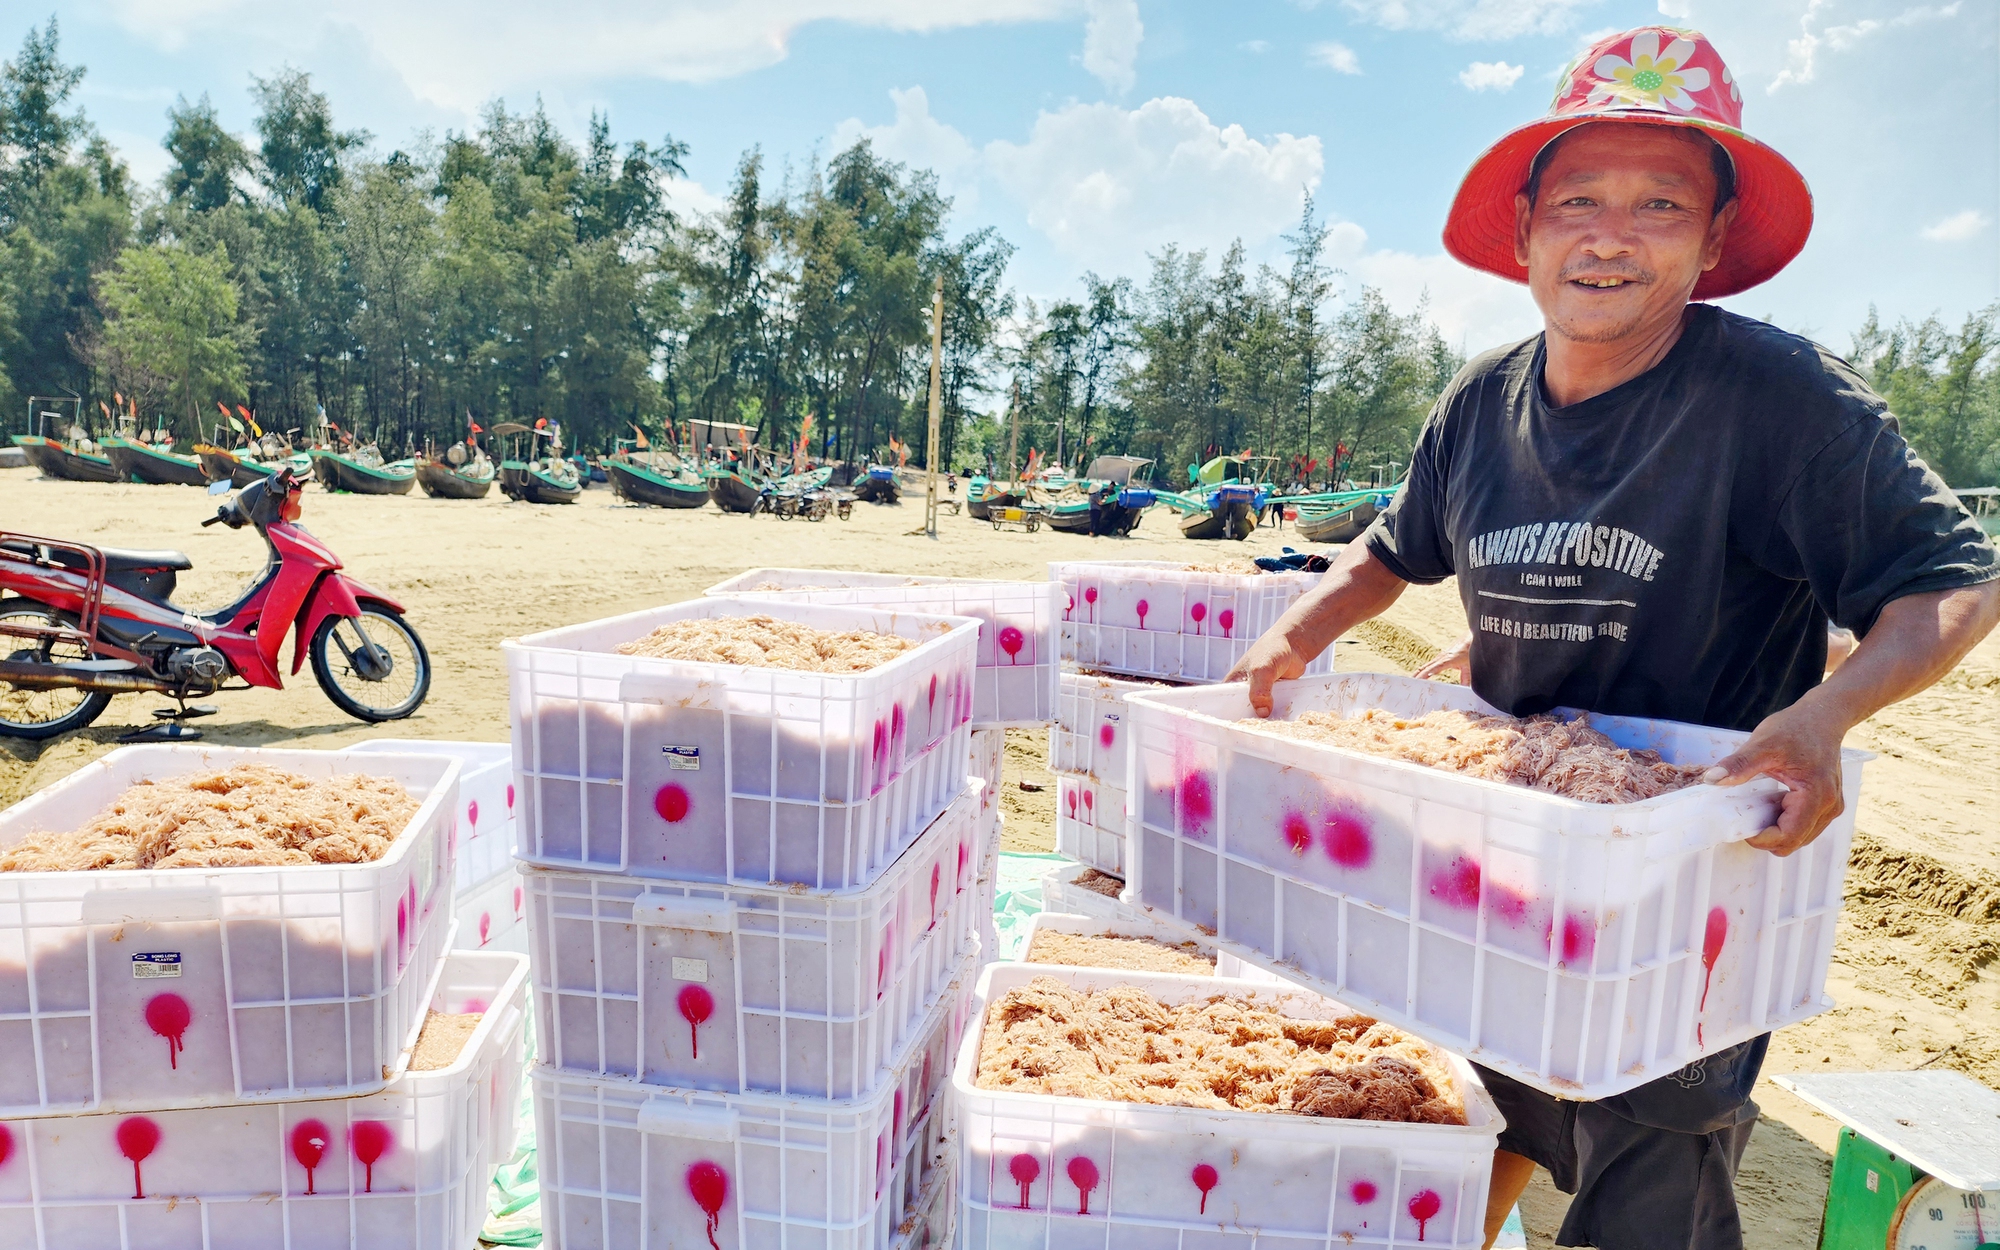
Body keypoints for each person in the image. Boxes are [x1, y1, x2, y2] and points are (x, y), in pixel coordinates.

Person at [1228, 26, 1999, 1250]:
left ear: (1708, 240)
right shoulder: (1479, 403)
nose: (1609, 234)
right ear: (1527, 227)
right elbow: (1387, 552)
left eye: (1658, 204)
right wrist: (1285, 640)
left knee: (1645, 1165)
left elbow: (1950, 582)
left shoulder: (1779, 400)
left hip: (1679, 883)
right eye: (1579, 198)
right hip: (1502, 847)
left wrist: (1820, 716)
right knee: (1489, 1097)